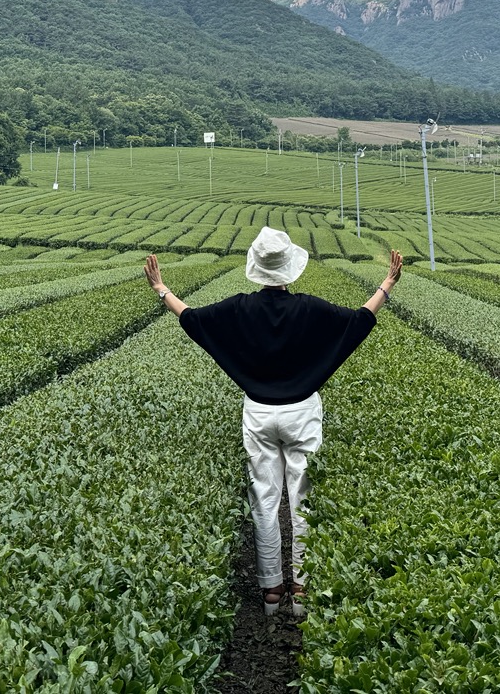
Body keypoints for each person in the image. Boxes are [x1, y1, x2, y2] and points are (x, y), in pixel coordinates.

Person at [144, 227, 402, 617]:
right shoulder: (310, 308)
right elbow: (358, 322)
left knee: (264, 501)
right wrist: (386, 284)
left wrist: (162, 288)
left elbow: (194, 320)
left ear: (257, 269)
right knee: (303, 501)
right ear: (289, 269)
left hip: (259, 413)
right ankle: (300, 590)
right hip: (302, 413)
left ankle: (271, 592)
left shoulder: (239, 308)